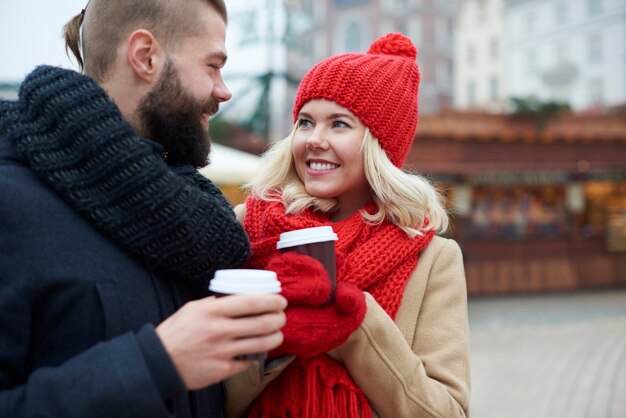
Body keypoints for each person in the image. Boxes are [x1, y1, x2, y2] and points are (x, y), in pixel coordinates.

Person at [0, 1, 286, 417]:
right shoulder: (11, 201)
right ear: (145, 56)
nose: (224, 90)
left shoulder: (193, 219)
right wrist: (156, 363)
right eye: (212, 66)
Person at [226, 33, 471, 417]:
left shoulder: (434, 260)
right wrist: (277, 342)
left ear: (379, 145)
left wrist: (356, 323)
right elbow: (202, 398)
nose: (314, 140)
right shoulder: (248, 225)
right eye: (305, 122)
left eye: (339, 124)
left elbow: (447, 412)